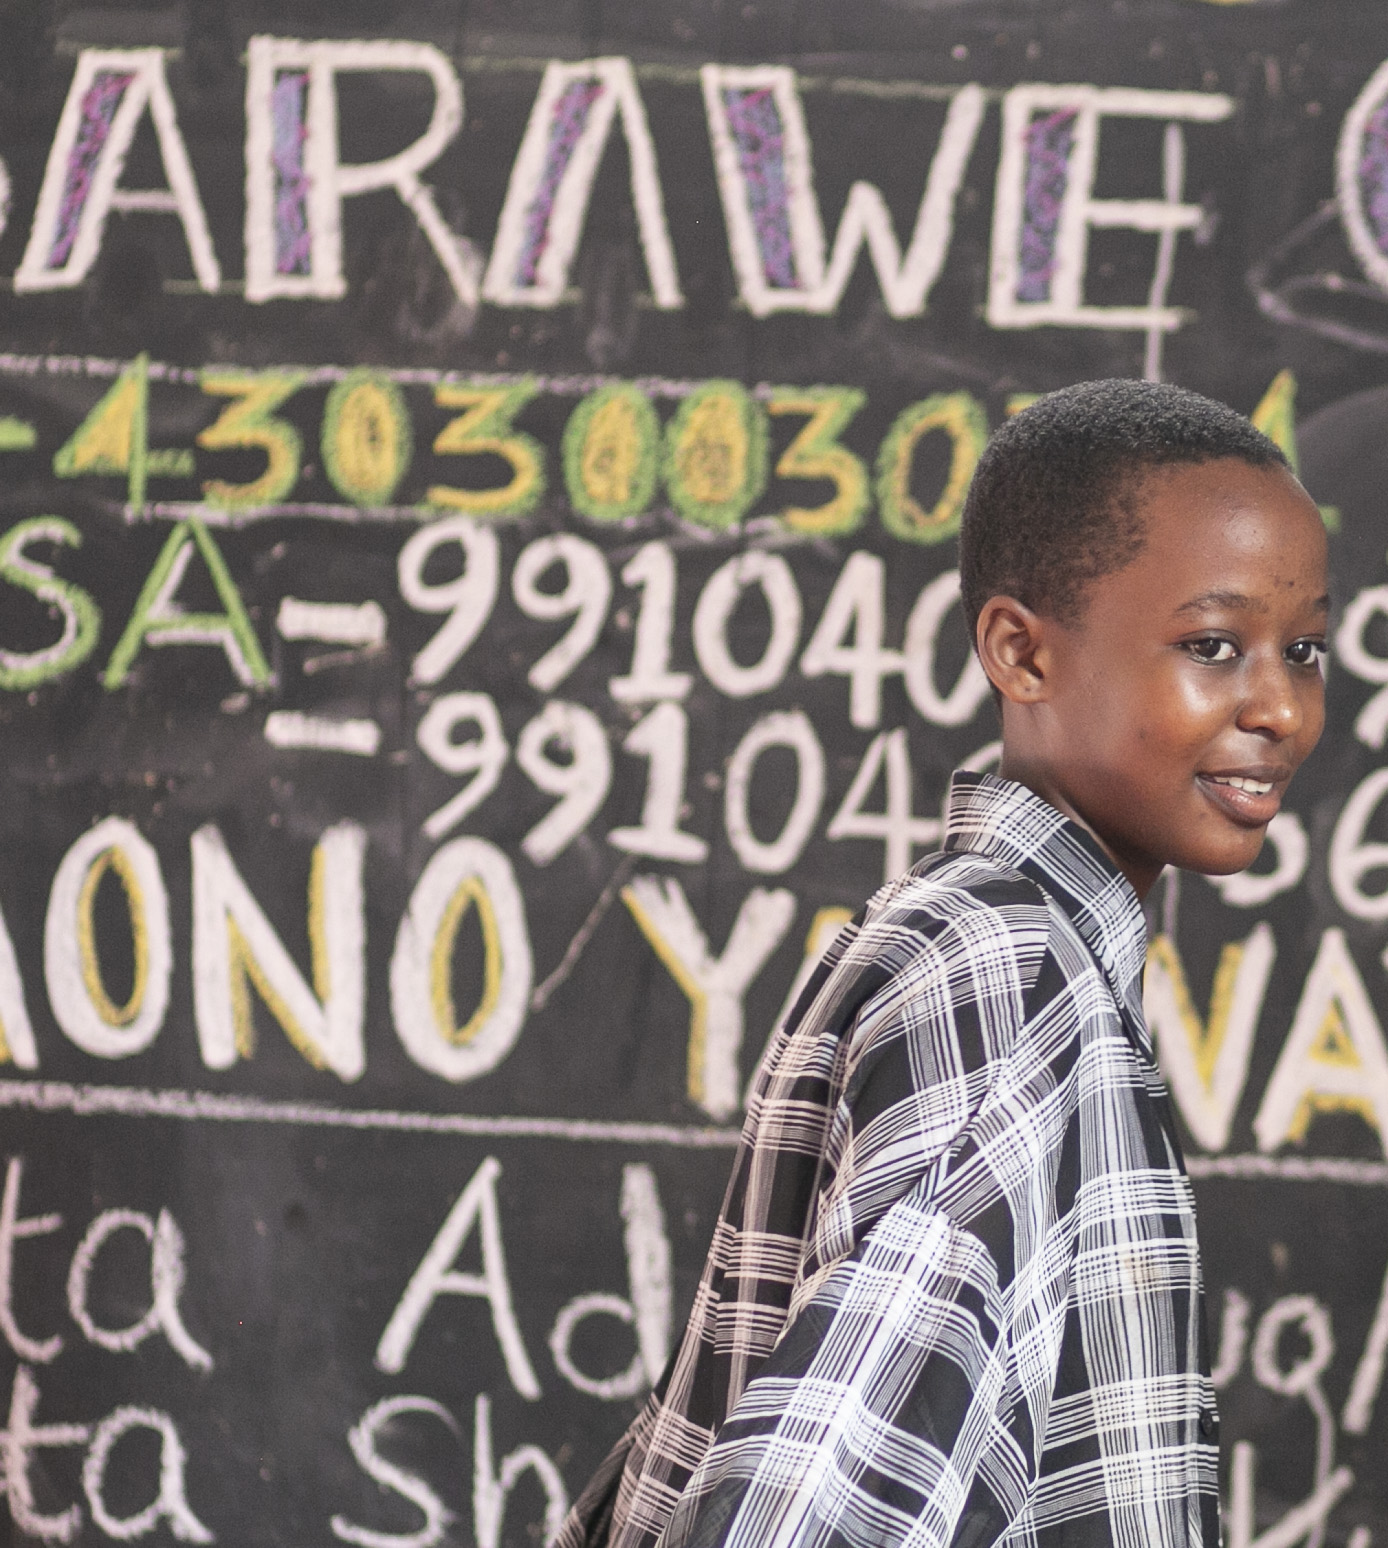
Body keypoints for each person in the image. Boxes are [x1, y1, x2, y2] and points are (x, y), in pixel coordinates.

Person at [560, 379, 1331, 1548]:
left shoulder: (982, 936)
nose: (1280, 706)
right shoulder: (1011, 975)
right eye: (1212, 647)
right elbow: (810, 1506)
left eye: (1304, 649)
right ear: (1022, 653)